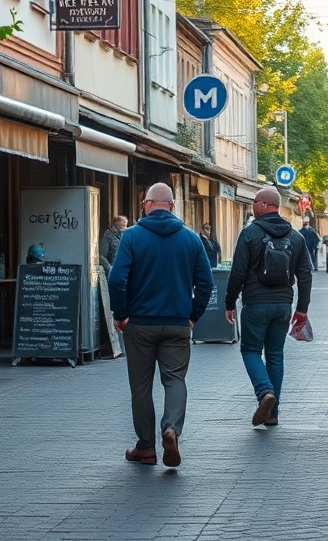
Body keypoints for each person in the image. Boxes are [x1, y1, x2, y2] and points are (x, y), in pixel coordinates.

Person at [107, 183, 214, 468]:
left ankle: (145, 447)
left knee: (141, 388)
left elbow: (116, 279)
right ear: (173, 206)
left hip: (139, 324)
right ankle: (171, 429)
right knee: (175, 379)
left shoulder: (131, 237)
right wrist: (193, 315)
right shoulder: (191, 239)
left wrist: (121, 314)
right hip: (178, 324)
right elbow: (206, 283)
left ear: (146, 204)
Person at [224, 186, 312, 428]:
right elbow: (305, 274)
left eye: (254, 202)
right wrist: (302, 309)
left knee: (250, 351)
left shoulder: (250, 234)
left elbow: (238, 272)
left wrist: (229, 302)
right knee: (275, 355)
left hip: (255, 304)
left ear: (263, 205)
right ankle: (273, 414)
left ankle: (264, 393)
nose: (253, 205)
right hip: (283, 305)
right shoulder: (296, 237)